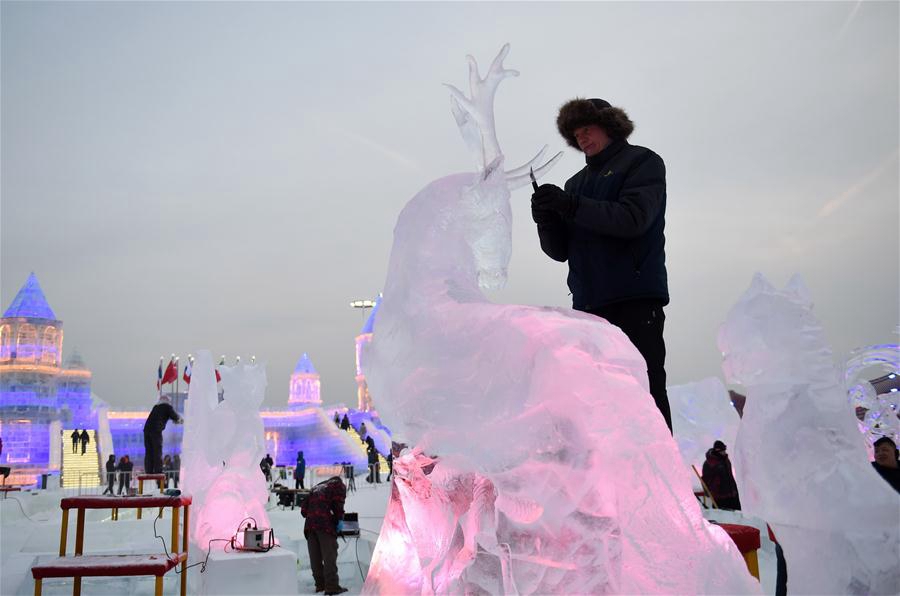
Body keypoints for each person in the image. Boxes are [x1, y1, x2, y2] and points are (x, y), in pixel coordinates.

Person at [532, 98, 672, 432]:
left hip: (635, 299)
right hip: (589, 307)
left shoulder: (642, 162)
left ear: (609, 126)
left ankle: (662, 477)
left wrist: (571, 204)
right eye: (575, 133)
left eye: (587, 129)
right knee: (600, 399)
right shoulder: (575, 183)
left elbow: (632, 219)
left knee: (644, 392)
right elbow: (559, 251)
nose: (582, 137)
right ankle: (613, 478)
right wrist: (546, 219)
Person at [301, 476, 348, 595]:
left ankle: (320, 585)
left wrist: (315, 512)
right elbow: (338, 505)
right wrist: (339, 520)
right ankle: (332, 587)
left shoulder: (317, 487)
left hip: (310, 526)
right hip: (325, 525)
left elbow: (303, 510)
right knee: (329, 557)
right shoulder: (339, 486)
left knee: (315, 557)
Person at [143, 395, 182, 474]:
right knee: (157, 450)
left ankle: (149, 470)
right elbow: (174, 416)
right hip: (156, 430)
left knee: (149, 451)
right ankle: (158, 470)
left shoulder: (156, 407)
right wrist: (180, 420)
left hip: (146, 430)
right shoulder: (167, 407)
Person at [701, 440, 741, 510]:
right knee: (723, 517)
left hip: (732, 494)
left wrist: (735, 490)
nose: (724, 452)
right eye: (722, 451)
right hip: (720, 497)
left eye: (724, 450)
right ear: (717, 450)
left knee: (738, 515)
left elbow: (730, 476)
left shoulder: (726, 460)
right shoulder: (709, 463)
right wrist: (715, 485)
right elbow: (706, 480)